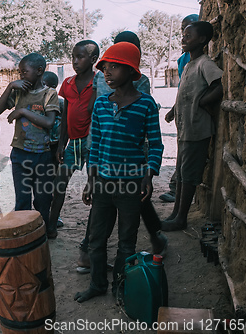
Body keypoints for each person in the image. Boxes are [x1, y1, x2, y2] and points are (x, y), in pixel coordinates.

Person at [74, 42, 164, 303]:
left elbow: (155, 143)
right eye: (104, 68)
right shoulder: (102, 104)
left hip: (131, 185)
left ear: (130, 70)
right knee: (96, 239)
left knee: (127, 241)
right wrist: (91, 182)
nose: (107, 72)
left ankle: (120, 287)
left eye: (114, 67)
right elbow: (96, 145)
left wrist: (149, 175)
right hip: (103, 184)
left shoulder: (146, 105)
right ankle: (98, 284)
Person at [161, 21, 223, 232]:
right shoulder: (189, 64)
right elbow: (185, 92)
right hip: (185, 129)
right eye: (183, 35)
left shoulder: (205, 63)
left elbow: (219, 86)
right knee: (181, 172)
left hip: (197, 129)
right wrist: (173, 110)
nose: (183, 39)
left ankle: (181, 218)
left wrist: (203, 102)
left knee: (187, 175)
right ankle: (176, 213)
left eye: (188, 35)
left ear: (202, 40)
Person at [0, 53, 60, 238]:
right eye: (20, 72)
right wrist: (9, 87)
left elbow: (49, 122)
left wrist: (22, 111)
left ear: (39, 71)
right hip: (20, 154)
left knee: (42, 200)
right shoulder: (18, 92)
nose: (21, 76)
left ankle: (42, 235)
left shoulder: (49, 94)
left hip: (43, 156)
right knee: (22, 200)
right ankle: (24, 237)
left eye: (25, 72)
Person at [49, 40, 99, 240]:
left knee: (95, 185)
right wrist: (62, 144)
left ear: (93, 60)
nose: (75, 62)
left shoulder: (99, 82)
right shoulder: (68, 83)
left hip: (93, 142)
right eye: (73, 57)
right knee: (59, 183)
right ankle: (51, 225)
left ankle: (93, 234)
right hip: (74, 143)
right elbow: (66, 115)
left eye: (80, 57)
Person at [160, 13, 200, 203]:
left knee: (187, 153)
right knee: (182, 150)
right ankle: (177, 187)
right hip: (184, 112)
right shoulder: (183, 60)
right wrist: (175, 109)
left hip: (195, 114)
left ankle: (177, 188)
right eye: (183, 30)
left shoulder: (203, 61)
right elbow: (183, 88)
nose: (184, 35)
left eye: (190, 28)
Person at [42, 71, 64, 227]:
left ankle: (54, 215)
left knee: (53, 181)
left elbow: (65, 125)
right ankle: (42, 213)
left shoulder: (61, 103)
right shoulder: (36, 101)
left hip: (54, 146)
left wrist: (61, 146)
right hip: (40, 146)